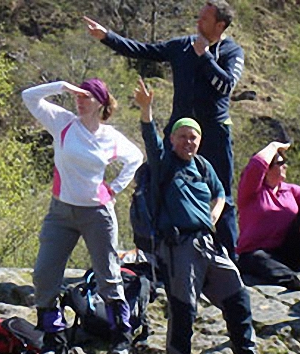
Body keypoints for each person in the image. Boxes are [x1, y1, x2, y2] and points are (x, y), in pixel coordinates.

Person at [133, 78, 283, 354]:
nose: (189, 141)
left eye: (194, 137)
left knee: (237, 296)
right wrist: (147, 110)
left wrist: (212, 218)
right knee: (183, 309)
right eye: (183, 136)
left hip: (208, 244)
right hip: (179, 247)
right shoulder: (164, 164)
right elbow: (149, 140)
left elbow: (220, 194)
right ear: (172, 139)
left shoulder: (202, 165)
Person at [84, 0, 243, 259]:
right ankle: (157, 250)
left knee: (221, 193)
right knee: (155, 179)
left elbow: (225, 86)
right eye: (199, 17)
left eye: (204, 19)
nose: (198, 23)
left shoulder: (231, 52)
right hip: (177, 129)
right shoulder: (182, 46)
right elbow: (144, 50)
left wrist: (204, 55)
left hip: (213, 132)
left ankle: (228, 258)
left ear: (220, 25)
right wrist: (107, 37)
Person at [22, 78, 143, 354]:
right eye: (79, 95)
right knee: (44, 273)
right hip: (60, 212)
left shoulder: (110, 137)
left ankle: (120, 338)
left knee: (108, 275)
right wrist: (62, 86)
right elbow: (29, 96)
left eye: (87, 96)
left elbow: (135, 158)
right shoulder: (62, 123)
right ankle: (53, 337)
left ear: (101, 103)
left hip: (97, 214)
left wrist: (113, 188)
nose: (80, 100)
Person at [236, 141, 300, 291]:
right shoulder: (251, 191)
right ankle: (297, 282)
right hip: (258, 254)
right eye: (281, 163)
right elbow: (256, 165)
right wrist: (274, 146)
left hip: (287, 253)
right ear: (267, 169)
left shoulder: (291, 190)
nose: (285, 166)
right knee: (256, 259)